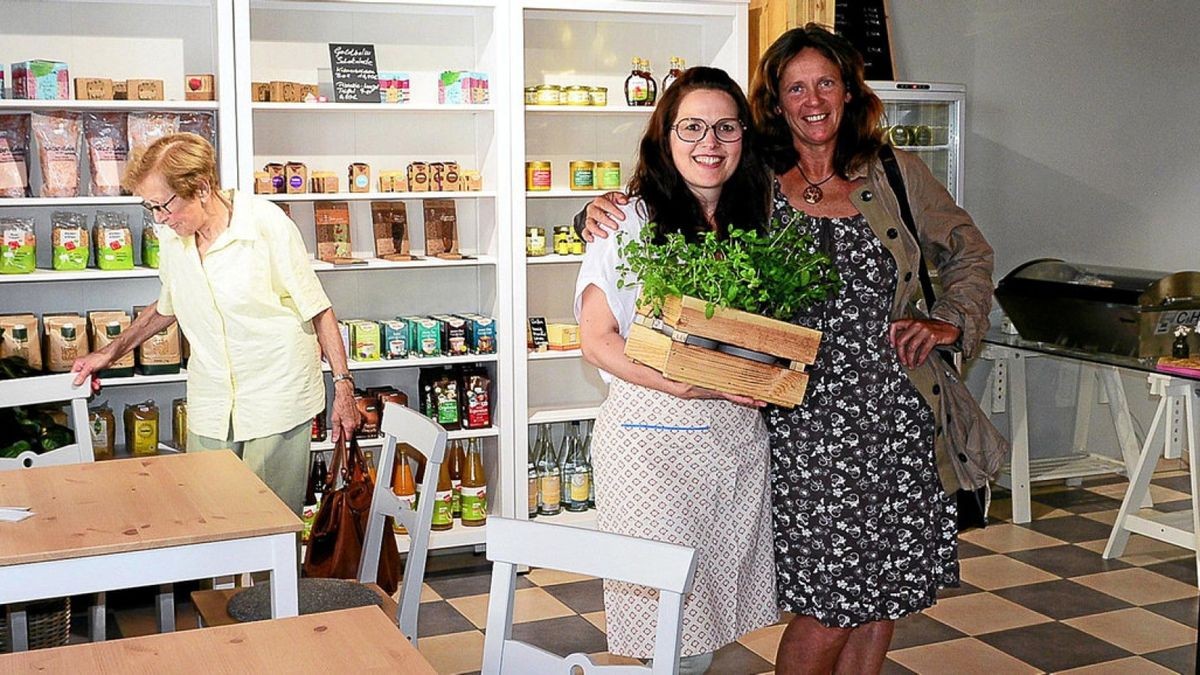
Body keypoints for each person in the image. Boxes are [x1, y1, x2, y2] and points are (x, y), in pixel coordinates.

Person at [581, 25, 996, 674]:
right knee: (828, 601)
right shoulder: (756, 182)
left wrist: (949, 320)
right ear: (774, 102)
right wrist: (601, 211)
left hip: (897, 420)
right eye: (794, 86)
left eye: (826, 82)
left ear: (849, 92)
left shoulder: (895, 174)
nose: (812, 98)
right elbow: (678, 197)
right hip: (802, 428)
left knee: (880, 589)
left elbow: (969, 250)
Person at [574, 66, 778, 674]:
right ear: (665, 137)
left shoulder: (765, 220)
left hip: (735, 447)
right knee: (669, 634)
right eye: (691, 127)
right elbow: (597, 340)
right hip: (649, 449)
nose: (708, 143)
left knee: (707, 628)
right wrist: (679, 383)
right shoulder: (626, 221)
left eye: (725, 127)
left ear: (745, 137)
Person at [71, 133, 359, 515]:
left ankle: (271, 579)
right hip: (212, 399)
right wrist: (108, 353)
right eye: (150, 207)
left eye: (164, 206)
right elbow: (168, 305)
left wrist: (343, 389)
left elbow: (317, 308)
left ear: (202, 187)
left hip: (276, 395)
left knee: (266, 525)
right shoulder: (174, 237)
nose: (159, 218)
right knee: (208, 520)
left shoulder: (264, 224)